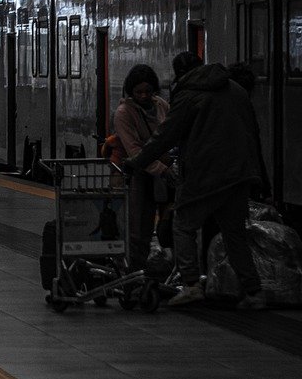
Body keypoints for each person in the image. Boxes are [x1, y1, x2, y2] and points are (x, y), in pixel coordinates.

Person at [126, 52, 269, 309]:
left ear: (180, 74)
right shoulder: (236, 89)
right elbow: (253, 133)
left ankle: (191, 284)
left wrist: (136, 162)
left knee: (183, 224)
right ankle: (254, 291)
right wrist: (259, 174)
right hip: (239, 173)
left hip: (205, 174)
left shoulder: (188, 93)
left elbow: (165, 135)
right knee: (234, 232)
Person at [111, 64, 173, 271]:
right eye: (139, 92)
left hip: (160, 173)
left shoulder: (162, 105)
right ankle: (134, 271)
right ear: (131, 92)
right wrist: (163, 169)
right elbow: (134, 151)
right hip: (134, 175)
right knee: (137, 228)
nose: (144, 96)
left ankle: (153, 267)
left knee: (166, 223)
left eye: (148, 91)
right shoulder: (123, 113)